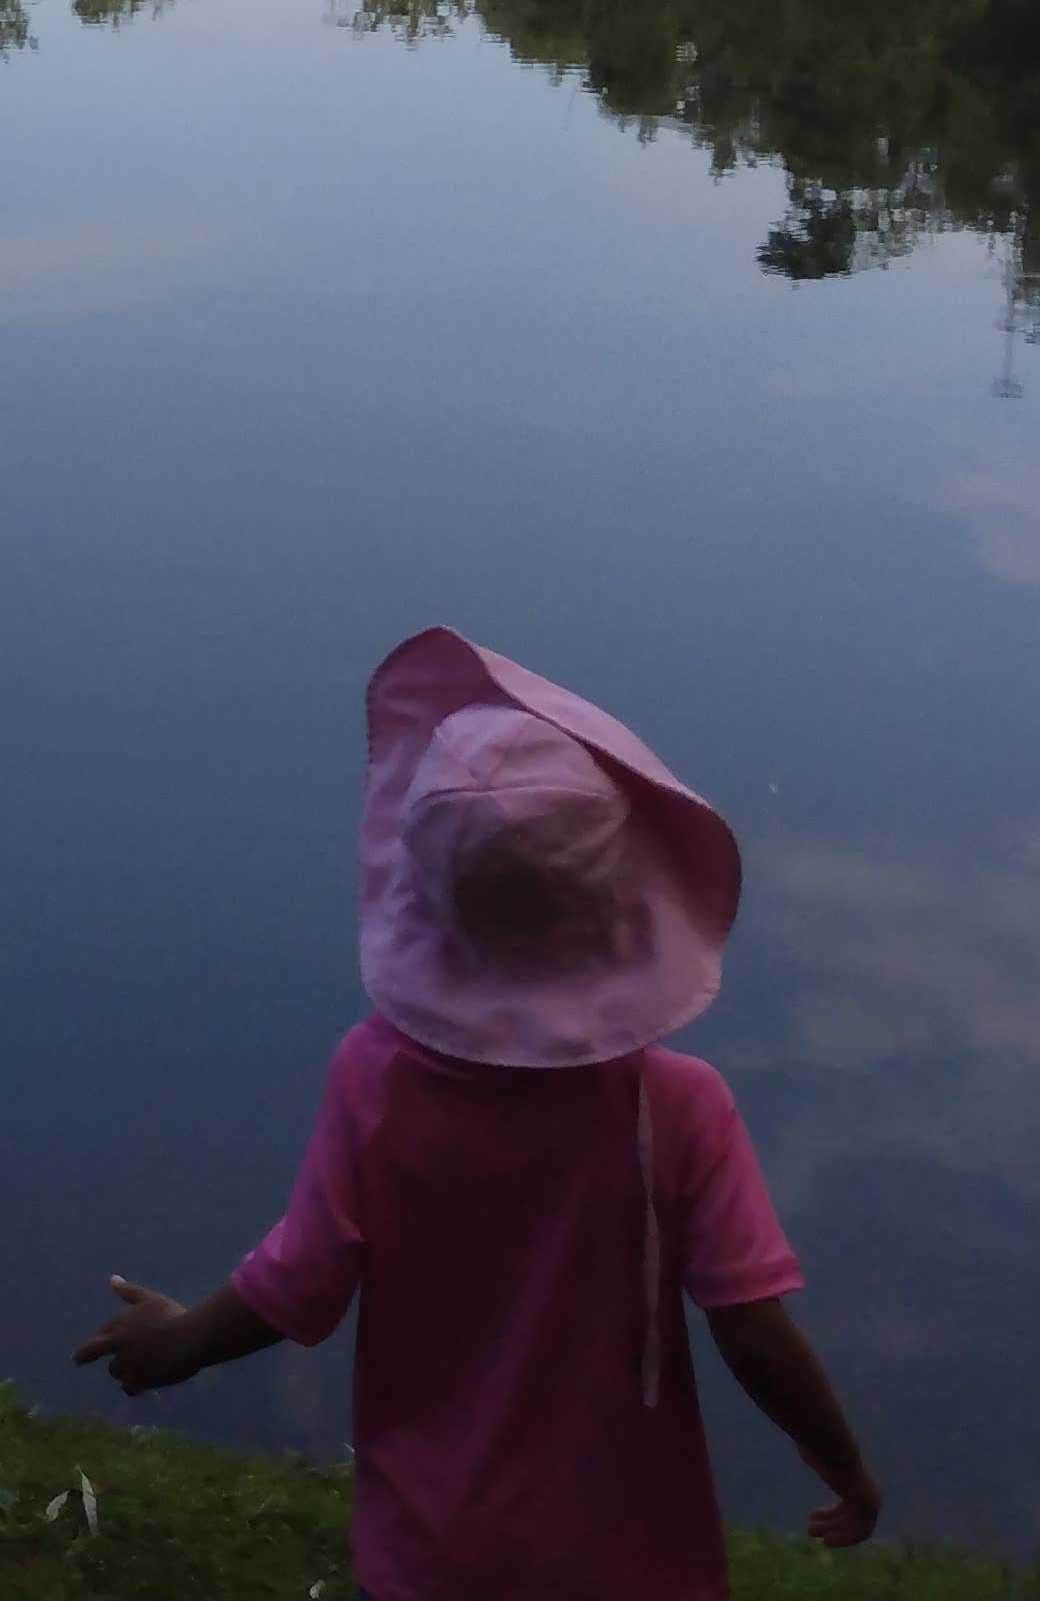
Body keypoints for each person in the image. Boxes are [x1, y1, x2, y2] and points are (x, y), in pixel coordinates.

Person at [73, 627, 877, 1601]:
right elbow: (750, 1333)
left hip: (432, 1547)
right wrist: (842, 1467)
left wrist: (179, 1337)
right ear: (624, 896)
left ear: (426, 891)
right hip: (622, 1556)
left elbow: (303, 1278)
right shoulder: (678, 1107)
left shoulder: (374, 1077)